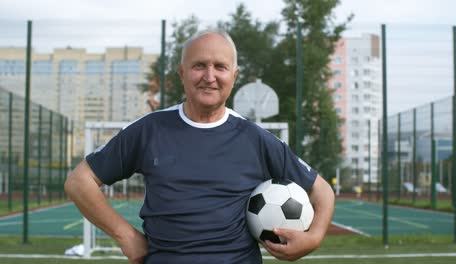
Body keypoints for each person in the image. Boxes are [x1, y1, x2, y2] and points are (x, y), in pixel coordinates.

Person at [64, 28, 335, 264]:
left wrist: (313, 238)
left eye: (220, 66)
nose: (209, 76)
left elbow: (322, 191)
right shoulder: (150, 130)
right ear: (182, 72)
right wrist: (124, 234)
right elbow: (79, 181)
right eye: (199, 66)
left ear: (234, 75)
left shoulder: (255, 138)